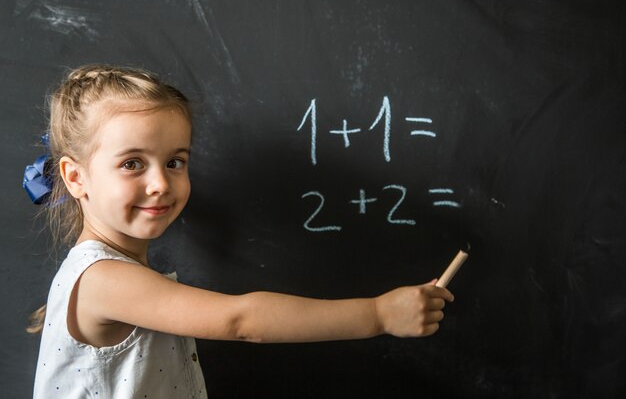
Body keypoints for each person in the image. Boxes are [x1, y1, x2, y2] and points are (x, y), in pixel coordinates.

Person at [26, 65, 455, 398]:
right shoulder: (104, 279)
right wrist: (378, 315)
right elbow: (242, 320)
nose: (160, 182)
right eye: (132, 163)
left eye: (175, 161)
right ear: (75, 177)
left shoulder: (115, 270)